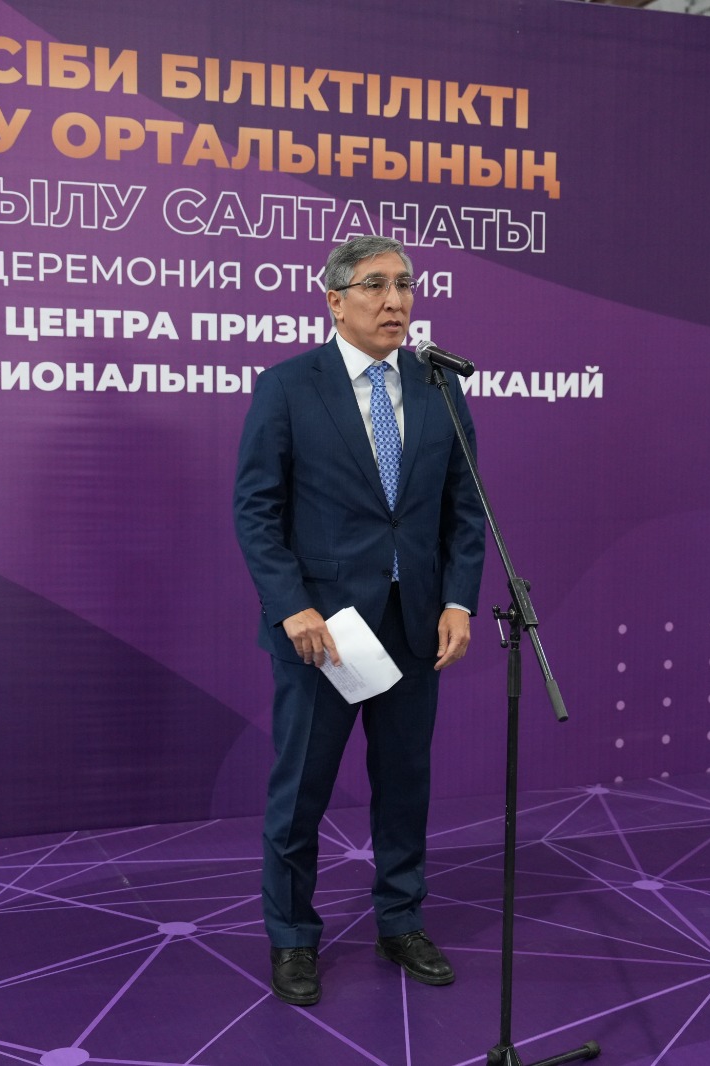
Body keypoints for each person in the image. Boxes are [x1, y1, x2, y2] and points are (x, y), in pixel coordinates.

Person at [233, 235, 486, 1006]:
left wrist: (458, 600)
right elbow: (257, 511)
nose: (395, 300)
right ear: (335, 300)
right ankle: (291, 936)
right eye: (375, 285)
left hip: (414, 626)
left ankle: (401, 920)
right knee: (301, 791)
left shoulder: (440, 387)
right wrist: (291, 606)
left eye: (404, 285)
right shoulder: (288, 387)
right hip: (324, 633)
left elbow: (465, 510)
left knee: (405, 786)